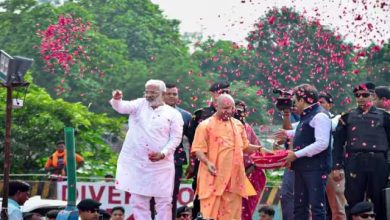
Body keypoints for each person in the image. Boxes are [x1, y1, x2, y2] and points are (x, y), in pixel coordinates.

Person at [110, 79, 183, 220]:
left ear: (162, 93)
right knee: (138, 200)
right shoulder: (139, 104)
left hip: (162, 165)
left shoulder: (173, 114)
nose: (149, 95)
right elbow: (121, 107)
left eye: (153, 92)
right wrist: (117, 99)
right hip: (138, 162)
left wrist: (163, 153)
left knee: (164, 201)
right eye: (147, 91)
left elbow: (175, 138)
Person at [191, 94, 269, 219]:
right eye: (224, 108)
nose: (227, 111)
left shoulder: (238, 125)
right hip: (213, 178)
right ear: (216, 106)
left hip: (234, 180)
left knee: (232, 216)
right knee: (210, 216)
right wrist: (207, 162)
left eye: (230, 108)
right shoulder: (205, 125)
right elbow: (198, 150)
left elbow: (245, 146)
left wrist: (259, 148)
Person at [332, 82, 390, 220]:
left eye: (365, 95)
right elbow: (338, 144)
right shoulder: (347, 117)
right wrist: (336, 166)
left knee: (379, 200)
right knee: (353, 199)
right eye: (357, 95)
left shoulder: (385, 117)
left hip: (378, 162)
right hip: (354, 161)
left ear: (373, 96)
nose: (361, 98)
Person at [275, 84, 332, 220]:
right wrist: (287, 133)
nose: (293, 104)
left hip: (315, 168)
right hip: (302, 167)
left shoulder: (320, 116)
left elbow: (322, 143)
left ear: (302, 100)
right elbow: (305, 131)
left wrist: (296, 154)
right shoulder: (307, 115)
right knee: (300, 207)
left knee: (317, 207)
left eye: (294, 100)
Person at [186, 80, 231, 217]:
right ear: (212, 94)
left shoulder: (234, 113)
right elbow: (192, 142)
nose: (226, 94)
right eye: (222, 92)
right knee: (201, 199)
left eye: (228, 92)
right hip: (204, 164)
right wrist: (192, 164)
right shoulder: (200, 114)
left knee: (226, 201)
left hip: (227, 165)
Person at [234, 100, 267, 220]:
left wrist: (248, 171)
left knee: (246, 210)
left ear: (245, 113)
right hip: (229, 176)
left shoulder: (247, 128)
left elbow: (257, 152)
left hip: (248, 175)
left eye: (240, 111)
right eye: (235, 110)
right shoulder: (225, 127)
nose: (238, 113)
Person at [163, 83, 192, 219]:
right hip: (154, 161)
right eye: (168, 93)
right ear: (162, 95)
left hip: (176, 161)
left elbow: (194, 142)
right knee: (151, 195)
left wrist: (193, 164)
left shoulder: (185, 116)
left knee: (172, 195)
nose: (171, 96)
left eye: (174, 94)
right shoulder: (152, 112)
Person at [318, 92, 347, 220]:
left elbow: (340, 146)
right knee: (315, 207)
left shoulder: (338, 120)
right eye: (316, 103)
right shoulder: (310, 121)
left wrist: (337, 167)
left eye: (322, 102)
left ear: (330, 105)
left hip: (333, 168)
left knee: (338, 207)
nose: (318, 105)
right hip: (315, 168)